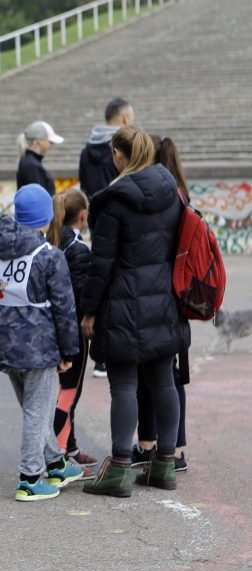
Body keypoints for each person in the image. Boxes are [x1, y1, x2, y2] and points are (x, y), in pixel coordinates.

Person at [80, 126, 190, 497]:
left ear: (119, 155)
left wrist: (89, 311)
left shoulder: (113, 200)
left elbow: (102, 263)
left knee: (124, 384)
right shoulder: (171, 191)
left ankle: (120, 471)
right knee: (163, 379)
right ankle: (163, 466)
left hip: (123, 303)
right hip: (163, 300)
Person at [0, 183, 83, 501]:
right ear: (46, 218)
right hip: (39, 345)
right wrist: (69, 350)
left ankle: (55, 462)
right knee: (36, 411)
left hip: (5, 342)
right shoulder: (49, 256)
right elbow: (65, 308)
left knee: (33, 408)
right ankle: (29, 477)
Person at [131, 135, 192, 473]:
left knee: (149, 376)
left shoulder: (157, 197)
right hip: (177, 296)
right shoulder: (180, 193)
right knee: (172, 375)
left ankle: (151, 443)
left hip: (156, 295)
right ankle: (176, 447)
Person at [79, 98, 133, 379]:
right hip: (121, 222)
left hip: (98, 221)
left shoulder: (86, 150)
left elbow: (85, 188)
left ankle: (100, 357)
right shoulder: (124, 147)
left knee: (100, 278)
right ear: (124, 117)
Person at [46, 188, 97, 467]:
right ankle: (56, 452)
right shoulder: (77, 249)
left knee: (67, 392)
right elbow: (78, 296)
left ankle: (70, 447)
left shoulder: (52, 240)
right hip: (72, 331)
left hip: (52, 328)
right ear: (83, 215)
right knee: (68, 394)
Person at [16, 121, 64, 196]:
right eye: (51, 141)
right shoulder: (30, 164)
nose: (52, 144)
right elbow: (37, 197)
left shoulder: (30, 162)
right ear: (39, 140)